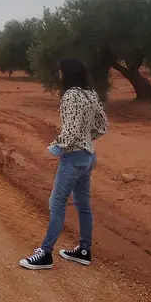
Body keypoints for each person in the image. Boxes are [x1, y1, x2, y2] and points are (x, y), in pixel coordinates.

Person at [20, 59, 108, 269]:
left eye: (60, 72)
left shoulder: (71, 95)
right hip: (88, 156)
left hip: (74, 157)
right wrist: (88, 138)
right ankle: (84, 251)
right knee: (83, 206)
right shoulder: (91, 94)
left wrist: (59, 146)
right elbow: (103, 124)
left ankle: (45, 253)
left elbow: (70, 128)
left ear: (66, 74)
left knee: (57, 204)